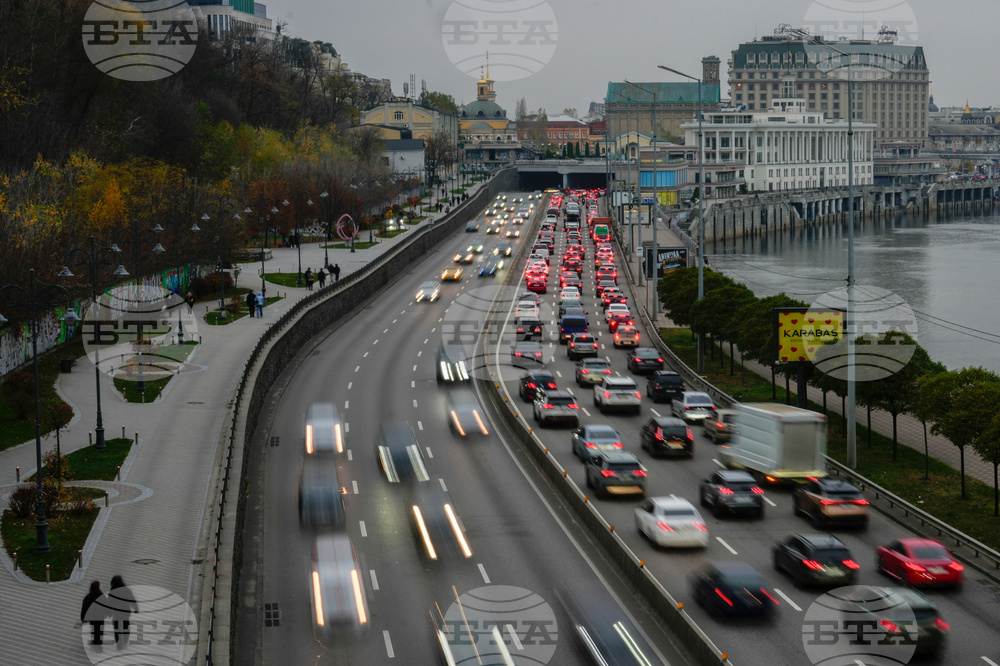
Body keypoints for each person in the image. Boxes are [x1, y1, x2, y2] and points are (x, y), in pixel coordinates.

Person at [107, 575, 138, 648]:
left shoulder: (112, 591)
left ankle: (119, 643)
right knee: (125, 626)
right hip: (125, 611)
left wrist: (109, 612)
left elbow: (109, 603)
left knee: (117, 627)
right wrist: (135, 608)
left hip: (116, 612)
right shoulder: (126, 589)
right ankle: (125, 640)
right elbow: (132, 600)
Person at [81, 580, 106, 646]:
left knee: (94, 629)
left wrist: (83, 618)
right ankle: (99, 642)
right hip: (100, 616)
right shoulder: (102, 596)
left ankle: (95, 641)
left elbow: (84, 608)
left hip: (92, 617)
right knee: (100, 629)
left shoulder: (88, 597)